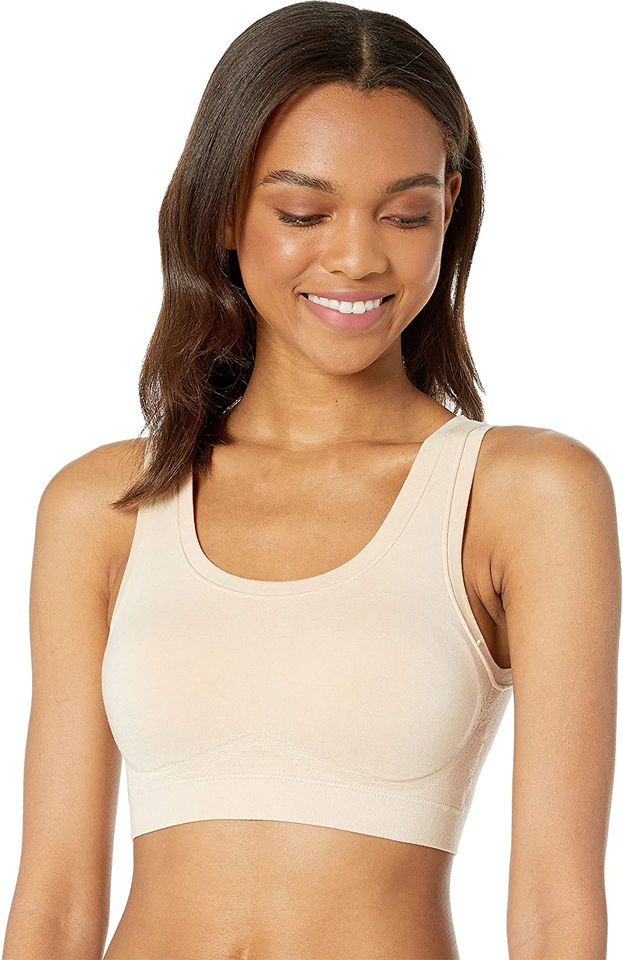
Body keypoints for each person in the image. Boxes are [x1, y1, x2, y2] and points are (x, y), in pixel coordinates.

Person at [3, 3, 619, 959]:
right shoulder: (105, 506)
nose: (358, 258)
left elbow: (554, 911)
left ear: (449, 207)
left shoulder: (523, 494)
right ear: (223, 208)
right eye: (302, 213)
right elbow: (54, 905)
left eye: (405, 214)